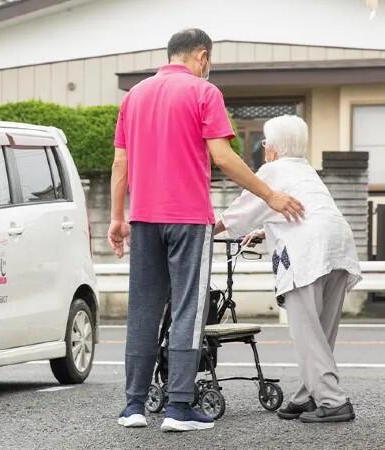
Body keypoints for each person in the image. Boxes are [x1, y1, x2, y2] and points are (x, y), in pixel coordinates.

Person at [109, 28, 304, 432]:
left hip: (143, 218)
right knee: (187, 308)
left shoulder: (134, 97)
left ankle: (133, 406)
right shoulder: (203, 92)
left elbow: (119, 165)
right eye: (208, 61)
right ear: (201, 55)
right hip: (188, 219)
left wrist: (116, 218)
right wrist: (270, 195)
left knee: (144, 311)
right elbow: (223, 158)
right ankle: (179, 408)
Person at [215, 115, 361, 423]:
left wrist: (200, 231)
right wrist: (265, 232)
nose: (264, 148)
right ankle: (308, 395)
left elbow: (239, 213)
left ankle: (333, 401)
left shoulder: (273, 169)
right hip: (338, 246)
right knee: (321, 331)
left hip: (307, 253)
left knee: (307, 332)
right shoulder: (306, 171)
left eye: (265, 143)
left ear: (273, 148)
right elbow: (304, 212)